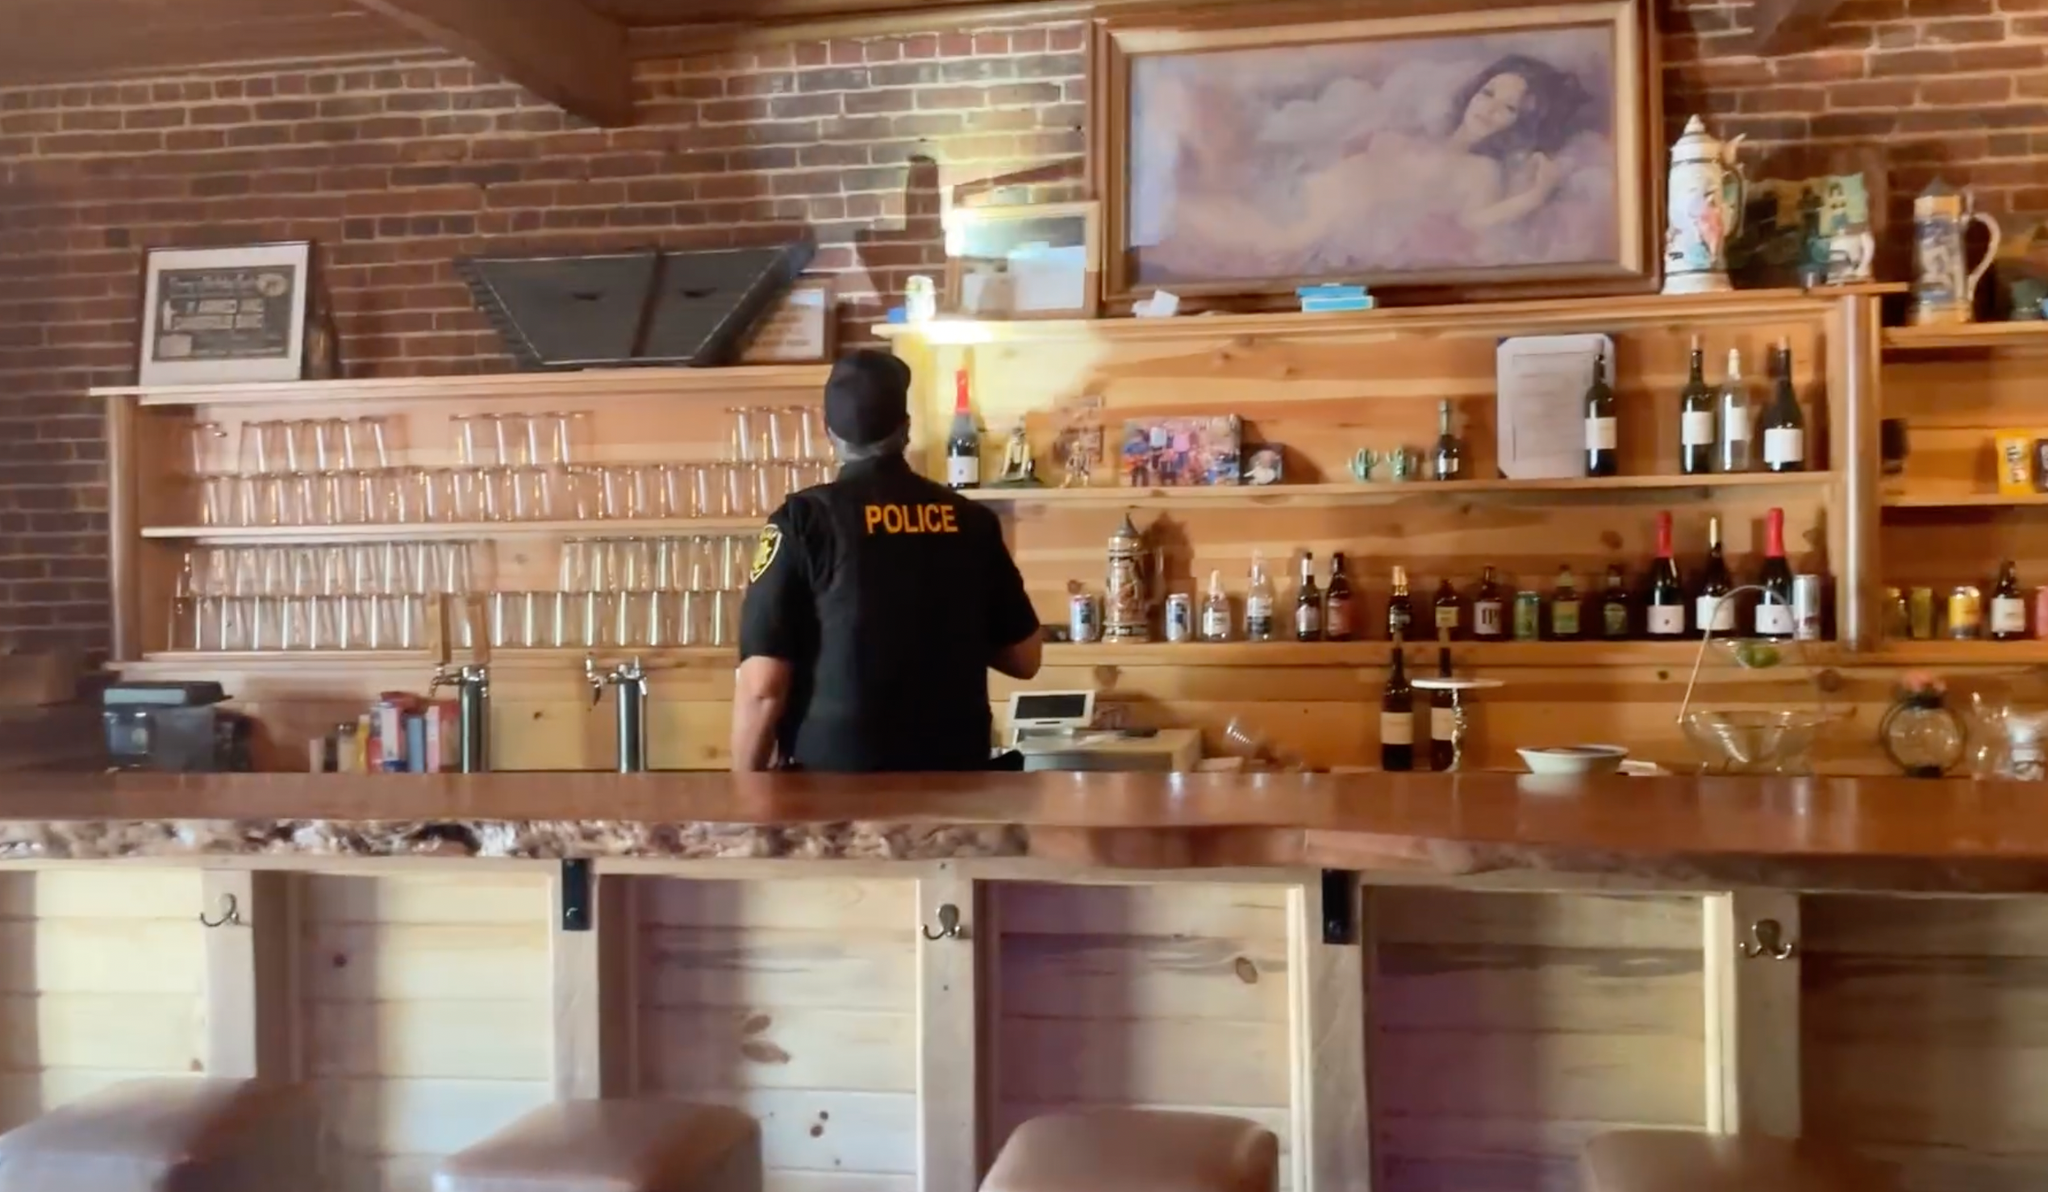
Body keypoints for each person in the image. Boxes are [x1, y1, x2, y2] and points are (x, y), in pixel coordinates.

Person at [731, 350, 1043, 772]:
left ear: (829, 433)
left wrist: (740, 796)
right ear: (907, 430)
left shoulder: (804, 522)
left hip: (834, 790)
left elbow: (764, 686)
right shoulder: (971, 520)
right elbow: (1025, 659)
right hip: (958, 785)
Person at [1141, 53, 1594, 277]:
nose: (1491, 108)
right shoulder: (1425, 133)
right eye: (1490, 93)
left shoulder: (1481, 172)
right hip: (1294, 188)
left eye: (1510, 109)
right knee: (1195, 144)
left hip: (1310, 225)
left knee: (1189, 219)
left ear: (1518, 125)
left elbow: (1475, 222)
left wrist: (1533, 196)